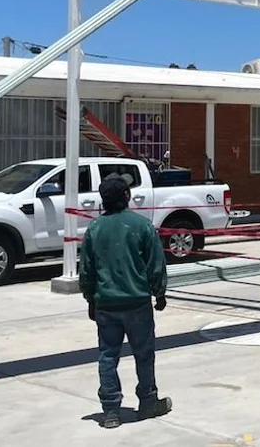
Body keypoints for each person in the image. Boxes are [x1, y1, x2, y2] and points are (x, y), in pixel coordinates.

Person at [80, 175, 171, 429]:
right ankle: (148, 402)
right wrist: (159, 292)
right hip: (138, 303)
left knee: (108, 356)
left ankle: (110, 411)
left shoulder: (95, 228)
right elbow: (155, 265)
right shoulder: (141, 226)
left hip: (106, 305)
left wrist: (90, 298)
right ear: (127, 197)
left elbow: (86, 269)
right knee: (144, 355)